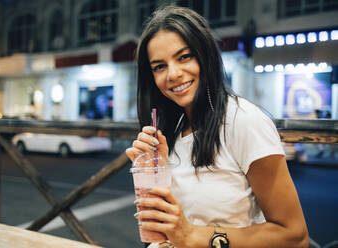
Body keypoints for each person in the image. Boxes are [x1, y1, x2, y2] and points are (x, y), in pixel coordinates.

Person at [125, 6, 309, 248]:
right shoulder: (176, 127)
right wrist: (155, 169)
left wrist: (192, 235)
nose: (173, 74)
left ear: (205, 55)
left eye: (184, 57)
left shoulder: (243, 121)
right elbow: (173, 221)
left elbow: (294, 237)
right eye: (159, 66)